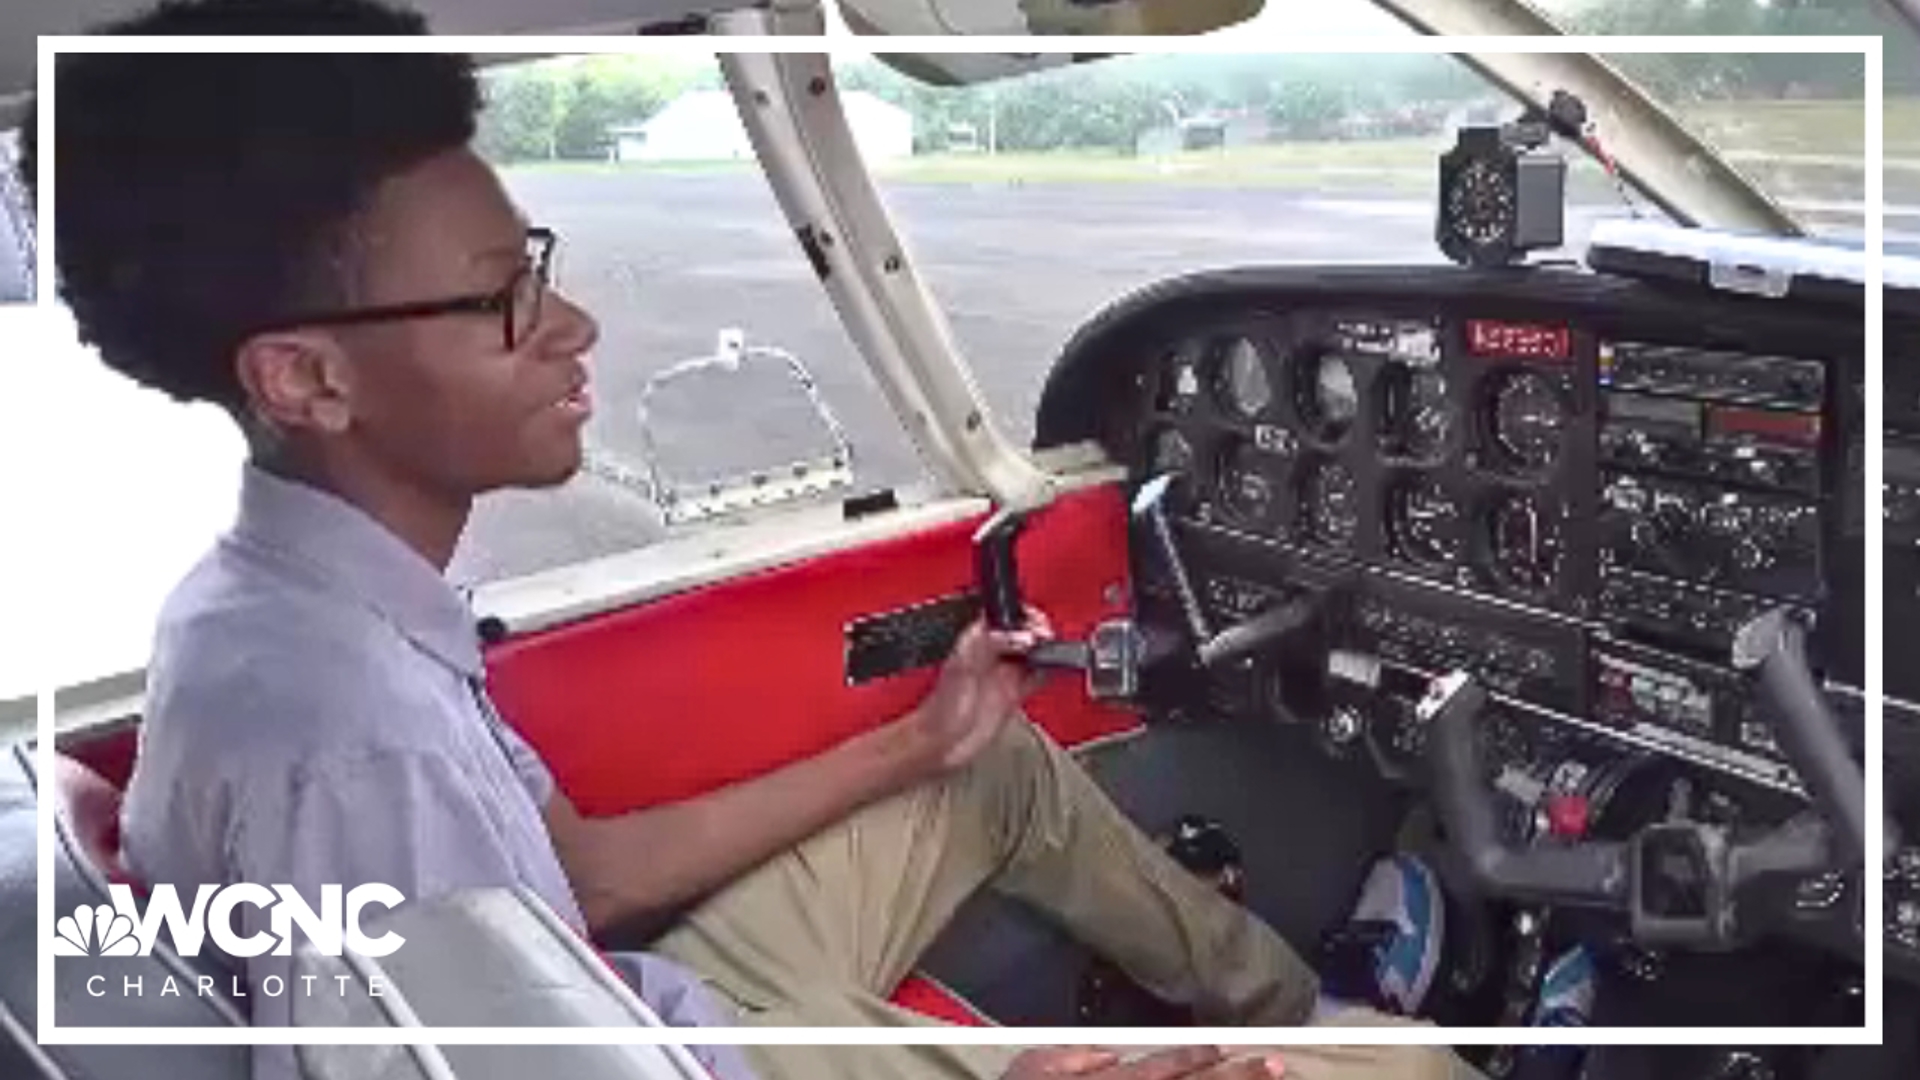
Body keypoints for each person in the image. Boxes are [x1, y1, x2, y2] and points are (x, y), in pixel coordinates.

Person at [53, 3, 1470, 1080]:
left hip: (625, 999)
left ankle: (1304, 999)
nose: (574, 328)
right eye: (500, 300)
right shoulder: (352, 745)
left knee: (995, 773)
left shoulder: (296, 603)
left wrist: (922, 745)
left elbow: (583, 882)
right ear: (306, 379)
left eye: (535, 270)